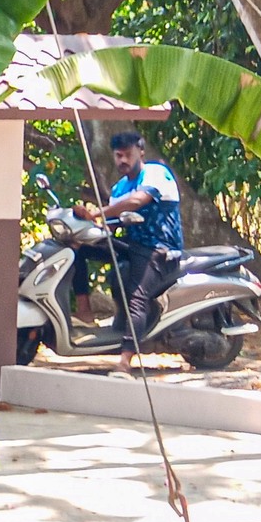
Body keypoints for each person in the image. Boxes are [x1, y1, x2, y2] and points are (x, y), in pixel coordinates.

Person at [74, 130, 184, 372]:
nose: (123, 160)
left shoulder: (156, 173)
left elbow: (138, 201)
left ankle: (125, 361)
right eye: (118, 155)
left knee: (137, 296)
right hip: (132, 246)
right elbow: (112, 225)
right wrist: (86, 222)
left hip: (159, 248)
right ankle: (84, 312)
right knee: (78, 249)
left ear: (140, 153)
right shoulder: (119, 187)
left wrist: (97, 213)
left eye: (128, 155)